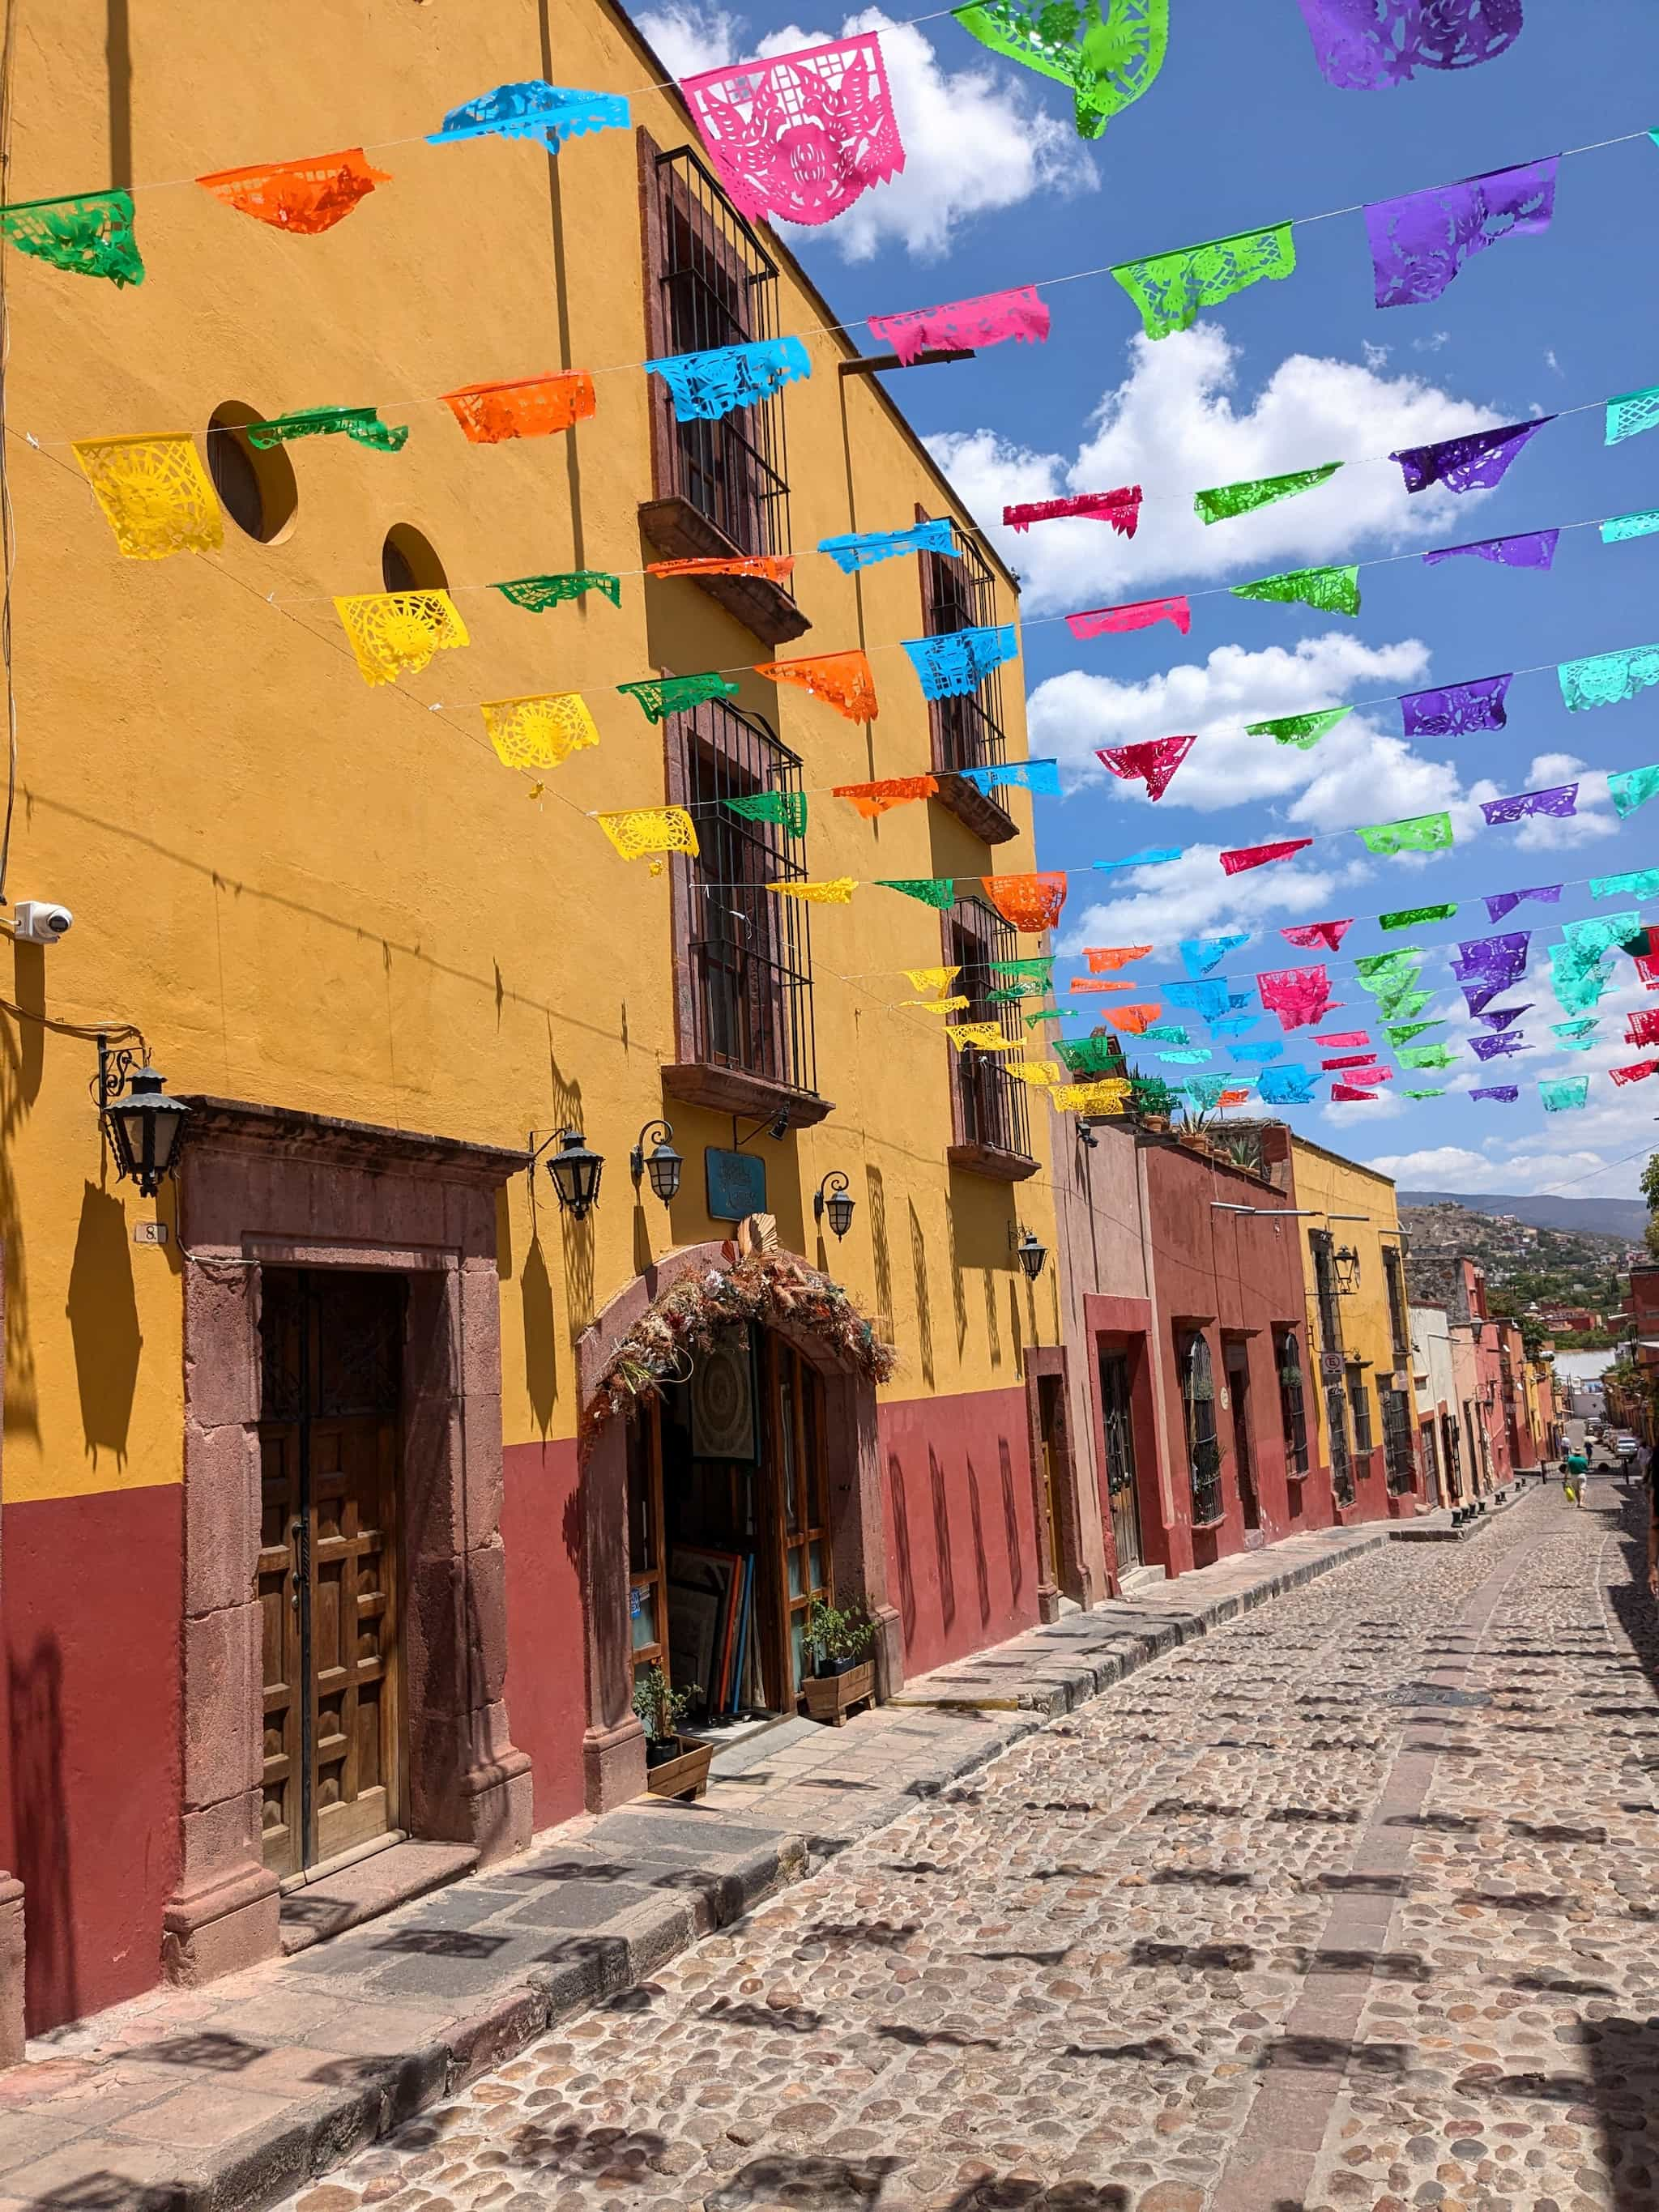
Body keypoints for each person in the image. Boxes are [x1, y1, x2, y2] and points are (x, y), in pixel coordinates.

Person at [1563, 1443, 1589, 1507]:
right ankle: (1581, 1502)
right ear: (1580, 1453)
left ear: (1574, 1453)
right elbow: (1586, 1468)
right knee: (1582, 1489)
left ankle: (1578, 1502)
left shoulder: (1570, 1459)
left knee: (1576, 1490)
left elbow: (1567, 1469)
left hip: (1574, 1476)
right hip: (1582, 1475)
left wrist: (1565, 1477)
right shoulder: (1583, 1459)